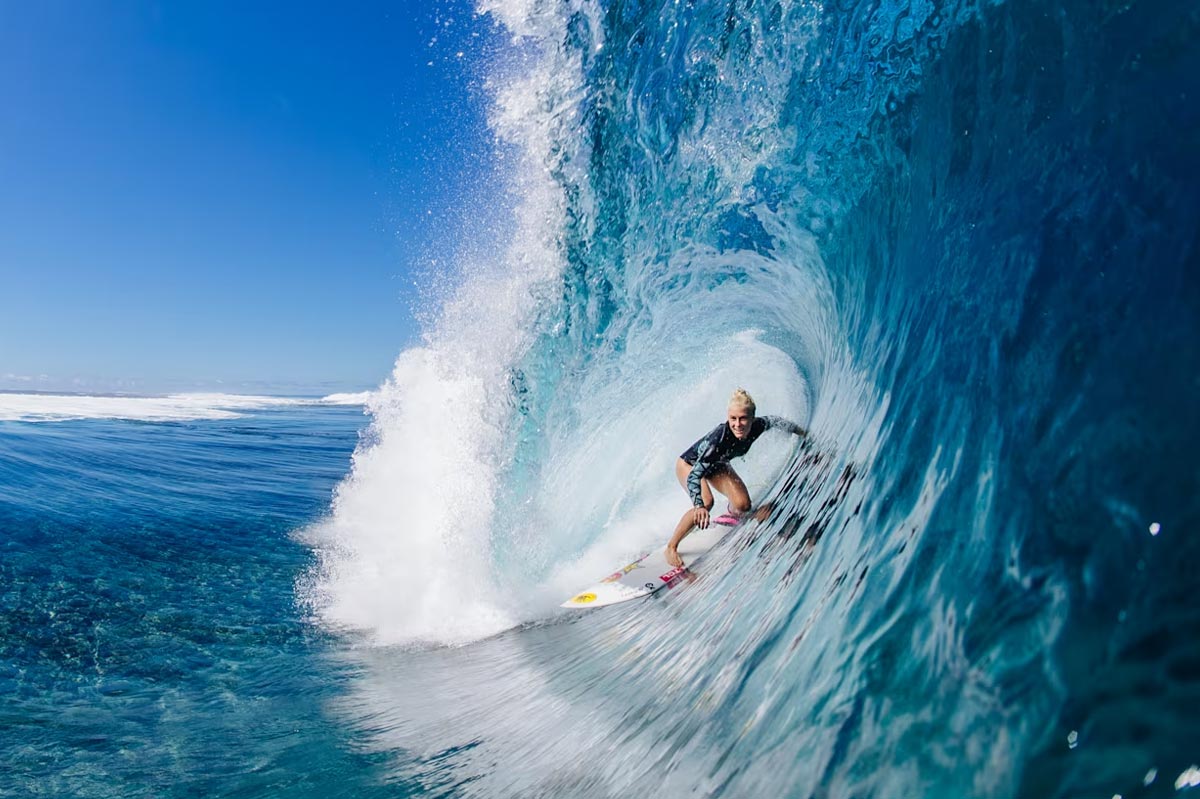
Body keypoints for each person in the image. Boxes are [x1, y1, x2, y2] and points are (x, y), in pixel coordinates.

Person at [665, 388, 807, 568]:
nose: (737, 424)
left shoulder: (759, 425)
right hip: (690, 465)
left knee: (744, 505)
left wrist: (803, 433)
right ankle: (671, 546)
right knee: (707, 502)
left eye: (743, 418)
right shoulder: (717, 441)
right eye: (733, 419)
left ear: (752, 418)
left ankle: (732, 511)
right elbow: (695, 475)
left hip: (716, 464)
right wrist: (699, 505)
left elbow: (776, 421)